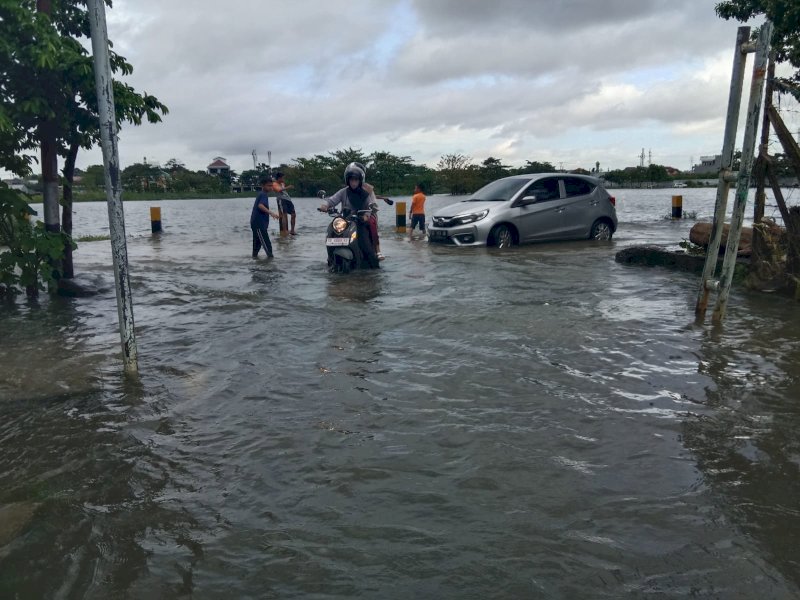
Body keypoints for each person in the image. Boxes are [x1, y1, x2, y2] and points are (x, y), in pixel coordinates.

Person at [318, 164, 380, 268]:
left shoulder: (366, 193)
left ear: (360, 181)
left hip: (360, 222)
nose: (354, 182)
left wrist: (366, 216)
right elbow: (332, 200)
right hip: (345, 221)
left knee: (367, 247)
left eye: (356, 180)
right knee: (331, 231)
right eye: (351, 180)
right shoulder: (344, 192)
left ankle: (374, 271)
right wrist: (325, 206)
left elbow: (370, 206)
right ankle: (330, 259)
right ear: (348, 180)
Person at [347, 162, 391, 260]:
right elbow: (336, 199)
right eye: (351, 177)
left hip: (368, 213)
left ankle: (377, 250)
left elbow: (372, 201)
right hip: (351, 214)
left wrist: (370, 210)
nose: (353, 180)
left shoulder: (368, 188)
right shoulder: (347, 189)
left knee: (371, 223)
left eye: (356, 176)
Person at [250, 176, 280, 258]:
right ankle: (270, 263)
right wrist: (272, 213)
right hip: (259, 224)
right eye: (268, 186)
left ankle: (255, 262)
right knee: (267, 246)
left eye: (271, 185)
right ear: (262, 186)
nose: (270, 187)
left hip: (257, 223)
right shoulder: (263, 194)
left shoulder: (262, 194)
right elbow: (260, 205)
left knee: (257, 245)